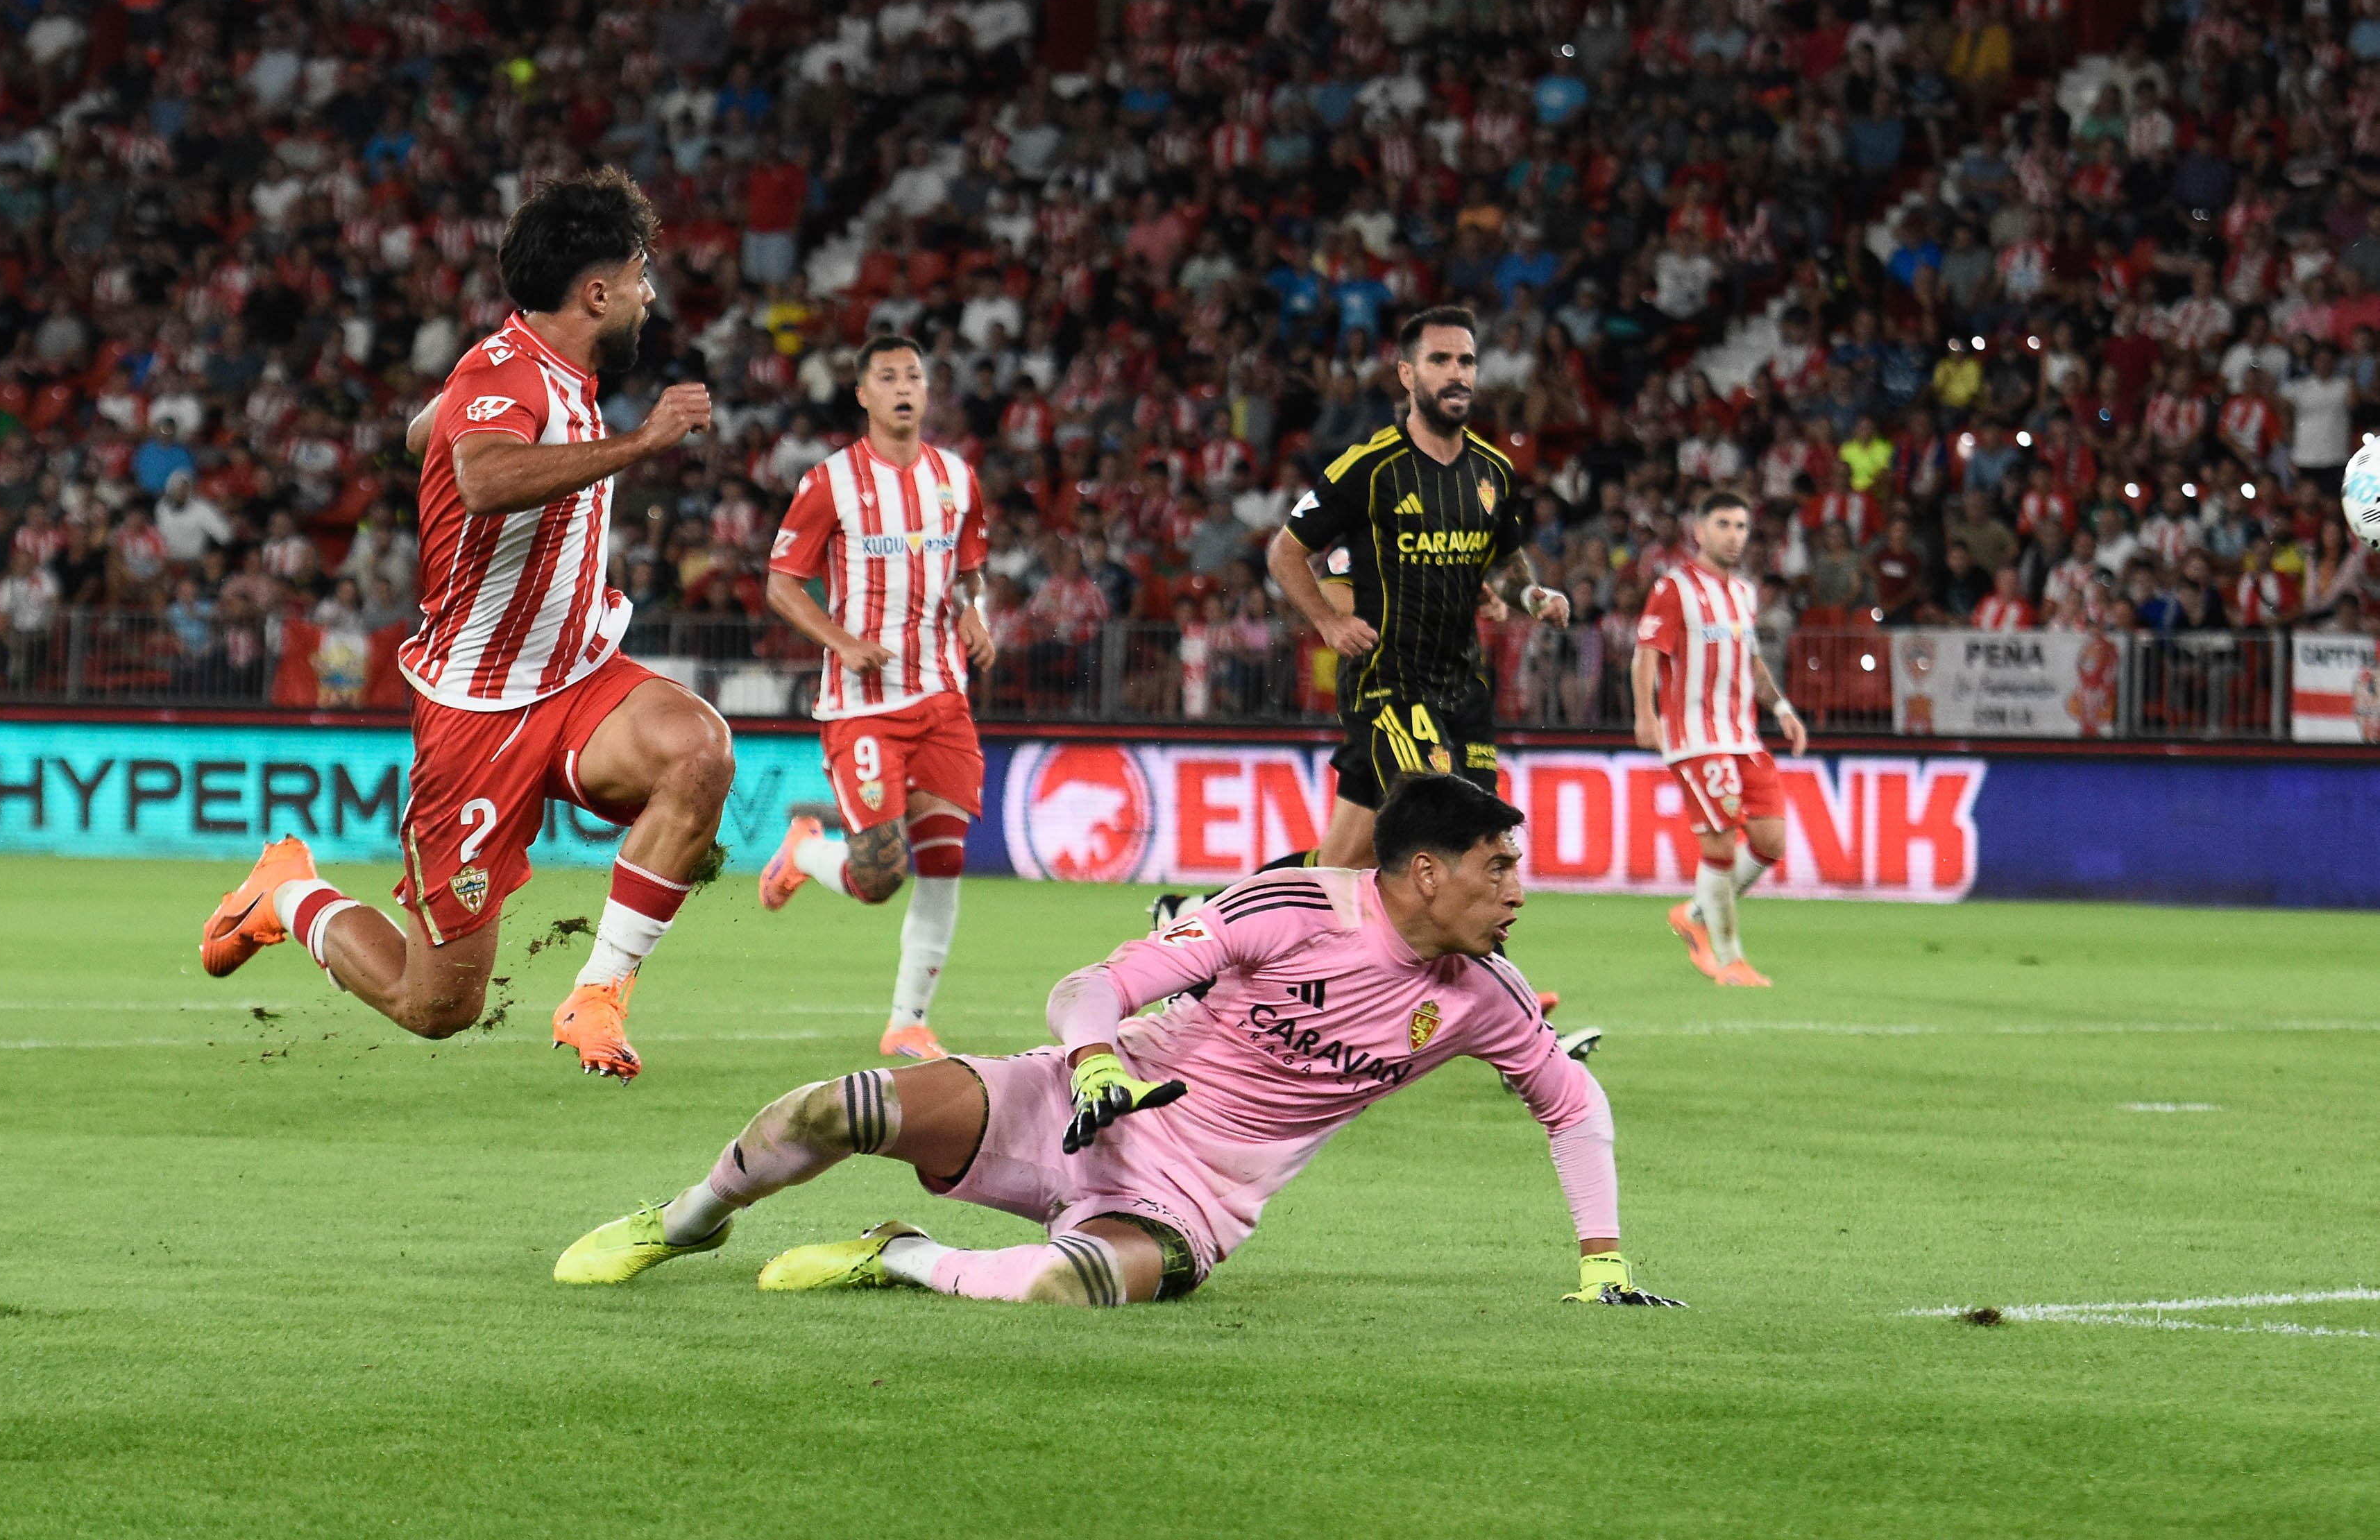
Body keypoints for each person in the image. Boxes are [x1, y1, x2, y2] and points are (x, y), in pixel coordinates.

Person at [554, 776, 1678, 1310]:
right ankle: (686, 1221)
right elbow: (1094, 982)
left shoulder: (1481, 994)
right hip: (1077, 1101)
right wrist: (1095, 1062)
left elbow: (1570, 1101)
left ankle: (896, 1253)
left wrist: (1602, 1258)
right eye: (1498, 866)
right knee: (834, 1106)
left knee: (1069, 1286)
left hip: (1194, 1201)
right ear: (1426, 872)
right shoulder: (1290, 908)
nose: (1516, 891)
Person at [197, 168, 736, 1084]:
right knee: (438, 1004)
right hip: (477, 712)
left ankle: (597, 992)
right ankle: (287, 893)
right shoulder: (509, 371)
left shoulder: (530, 369)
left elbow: (430, 433)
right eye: (639, 276)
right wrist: (641, 443)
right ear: (594, 293)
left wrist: (443, 420)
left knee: (698, 751)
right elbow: (483, 478)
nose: (649, 295)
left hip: (578, 678)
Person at [1233, 307, 1570, 884]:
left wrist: (1534, 598)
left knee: (1344, 862)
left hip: (1462, 685)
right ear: (1408, 375)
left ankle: (1208, 912)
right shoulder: (1368, 468)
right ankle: (1471, 949)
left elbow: (1507, 567)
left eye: (1466, 360)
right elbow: (1284, 552)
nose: (1457, 372)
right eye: (1440, 360)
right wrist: (1328, 622)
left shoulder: (1493, 471)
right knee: (1453, 829)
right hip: (1389, 682)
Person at [752, 335, 998, 1060]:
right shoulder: (829, 481)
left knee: (944, 861)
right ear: (862, 394)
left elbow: (968, 572)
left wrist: (975, 614)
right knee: (880, 874)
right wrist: (841, 641)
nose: (902, 386)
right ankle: (806, 850)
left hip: (942, 696)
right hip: (862, 705)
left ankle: (907, 1020)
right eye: (886, 377)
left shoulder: (957, 478)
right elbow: (781, 584)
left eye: (913, 375)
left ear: (927, 390)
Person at [1632, 491, 1810, 988]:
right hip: (1697, 737)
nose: (1734, 536)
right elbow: (1646, 652)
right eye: (1723, 525)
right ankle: (1730, 960)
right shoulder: (1674, 587)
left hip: (1743, 734)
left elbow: (1749, 658)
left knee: (1771, 841)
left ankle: (1693, 913)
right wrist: (1645, 714)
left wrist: (1782, 708)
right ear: (1699, 531)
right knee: (1721, 844)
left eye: (1741, 526)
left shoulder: (1745, 593)